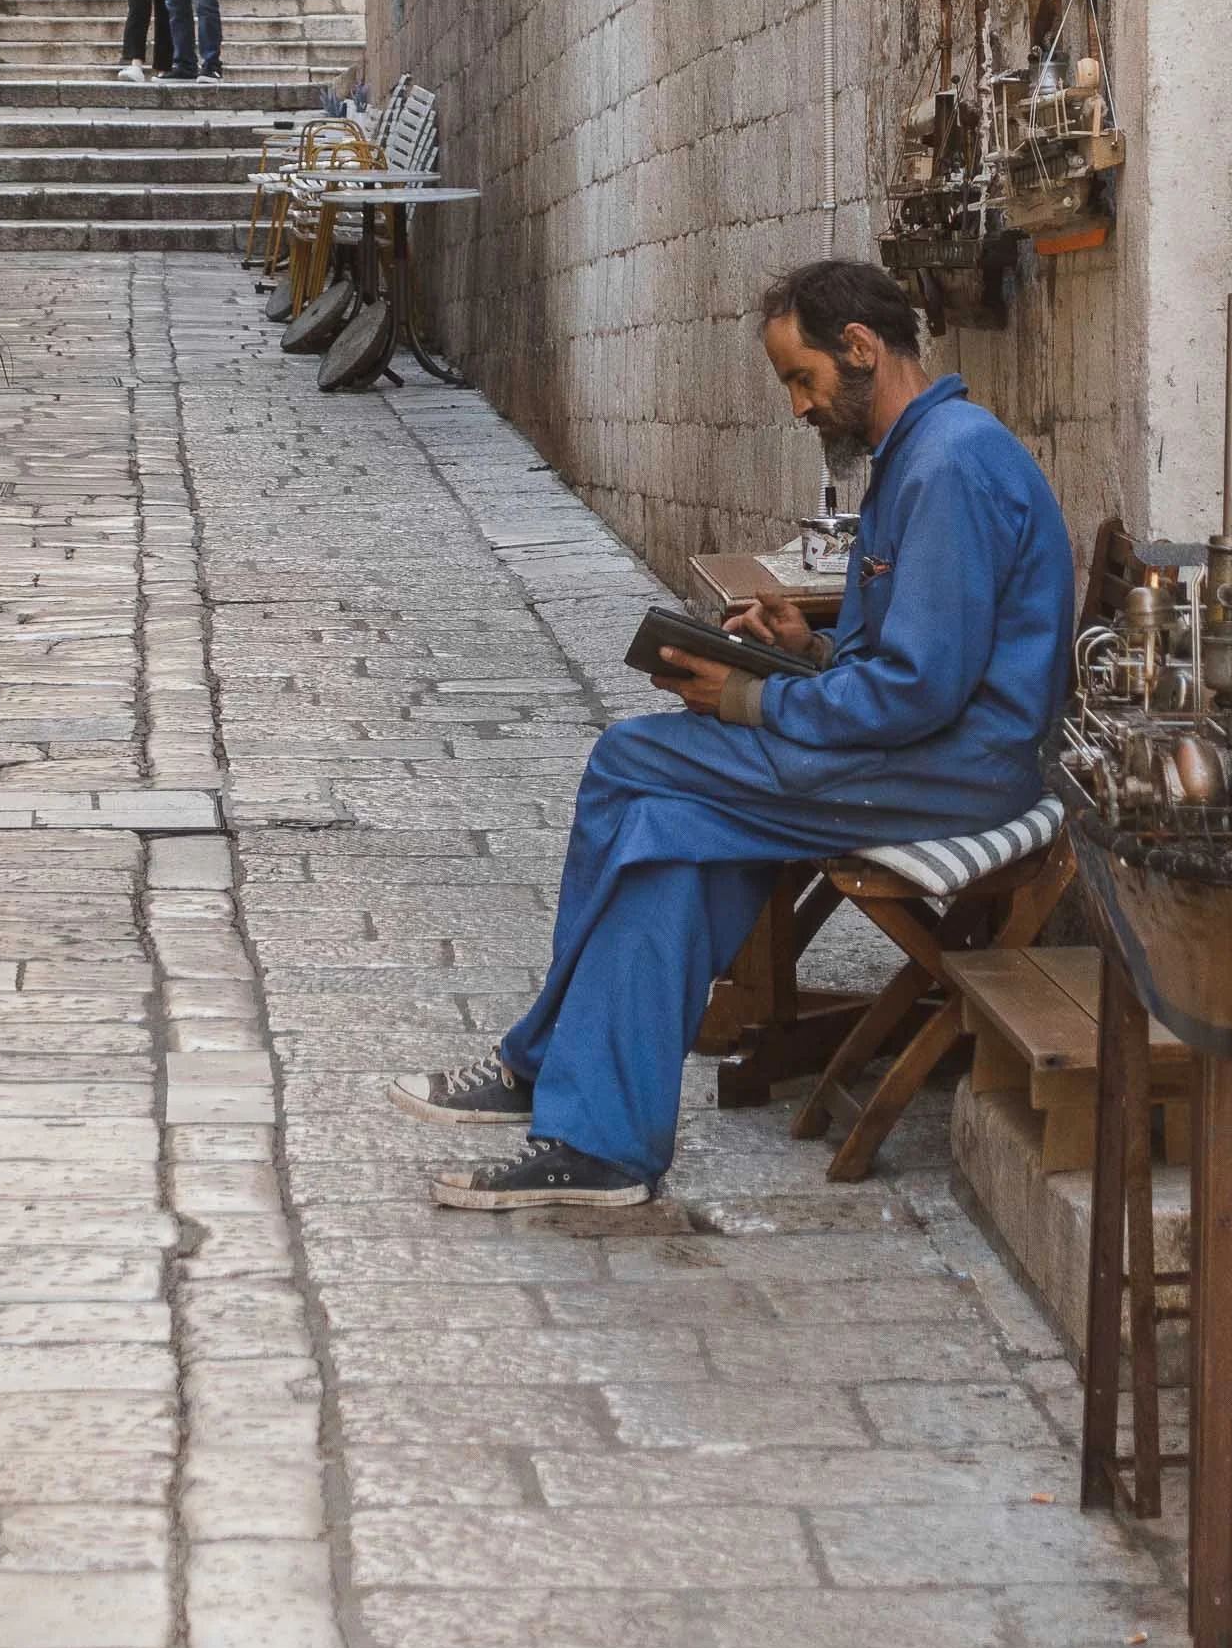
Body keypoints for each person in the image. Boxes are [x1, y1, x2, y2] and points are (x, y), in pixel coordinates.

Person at [389, 258, 1077, 1211]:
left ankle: (541, 1063)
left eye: (804, 378)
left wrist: (753, 701)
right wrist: (812, 646)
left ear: (863, 350)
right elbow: (915, 652)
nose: (799, 406)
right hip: (925, 757)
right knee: (667, 839)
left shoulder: (951, 462)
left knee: (632, 760)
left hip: (952, 775)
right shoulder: (921, 455)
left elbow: (920, 693)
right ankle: (603, 1149)